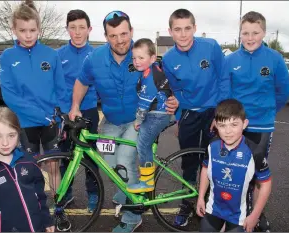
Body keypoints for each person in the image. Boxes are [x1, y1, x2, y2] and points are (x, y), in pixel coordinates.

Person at [69, 10, 179, 232]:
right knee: (109, 162)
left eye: (123, 33)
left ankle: (132, 215)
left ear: (131, 31)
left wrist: (175, 100)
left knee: (125, 159)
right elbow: (81, 82)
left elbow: (167, 81)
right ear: (106, 35)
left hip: (139, 121)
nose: (119, 40)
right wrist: (75, 106)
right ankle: (128, 186)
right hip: (110, 120)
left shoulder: (143, 54)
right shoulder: (94, 58)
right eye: (113, 35)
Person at [161, 8, 230, 226]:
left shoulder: (211, 47)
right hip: (190, 113)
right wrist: (180, 118)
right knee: (189, 162)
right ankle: (187, 203)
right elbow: (174, 91)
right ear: (170, 31)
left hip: (214, 112)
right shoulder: (169, 59)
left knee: (214, 161)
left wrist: (220, 113)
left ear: (195, 28)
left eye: (187, 28)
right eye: (178, 29)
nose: (183, 34)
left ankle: (212, 204)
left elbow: (224, 79)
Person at [224, 11, 289, 231]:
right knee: (235, 171)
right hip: (234, 127)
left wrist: (268, 111)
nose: (250, 37)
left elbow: (282, 91)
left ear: (264, 32)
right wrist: (229, 120)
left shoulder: (274, 58)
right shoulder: (231, 60)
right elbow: (226, 92)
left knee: (257, 174)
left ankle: (257, 215)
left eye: (255, 33)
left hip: (261, 126)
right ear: (240, 33)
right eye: (245, 33)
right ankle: (234, 212)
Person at [0, 0, 70, 202]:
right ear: (14, 30)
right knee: (29, 169)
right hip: (25, 123)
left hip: (51, 122)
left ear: (39, 29)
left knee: (54, 167)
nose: (28, 35)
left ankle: (58, 208)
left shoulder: (50, 54)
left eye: (32, 30)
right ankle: (34, 207)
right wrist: (41, 115)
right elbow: (10, 96)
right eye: (22, 30)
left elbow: (61, 89)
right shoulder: (7, 56)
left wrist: (64, 115)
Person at [196, 99, 272, 232]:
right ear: (216, 126)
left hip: (240, 215)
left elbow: (265, 183)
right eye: (222, 125)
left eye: (234, 124)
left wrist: (255, 215)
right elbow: (205, 168)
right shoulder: (212, 146)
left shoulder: (254, 152)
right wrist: (201, 197)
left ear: (244, 124)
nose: (228, 131)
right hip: (214, 209)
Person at [57, 9, 99, 213]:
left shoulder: (97, 54)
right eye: (73, 28)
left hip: (89, 111)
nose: (78, 32)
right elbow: (54, 85)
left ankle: (93, 194)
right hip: (66, 113)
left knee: (91, 156)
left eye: (82, 27)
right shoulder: (58, 55)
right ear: (67, 30)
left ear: (89, 29)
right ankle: (66, 194)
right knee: (66, 156)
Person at [126, 38, 172, 193]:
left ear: (152, 58)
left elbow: (145, 103)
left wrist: (138, 120)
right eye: (134, 58)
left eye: (141, 58)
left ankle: (146, 182)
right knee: (145, 145)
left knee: (142, 145)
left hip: (157, 115)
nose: (136, 61)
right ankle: (147, 176)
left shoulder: (150, 77)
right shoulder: (149, 71)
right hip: (157, 113)